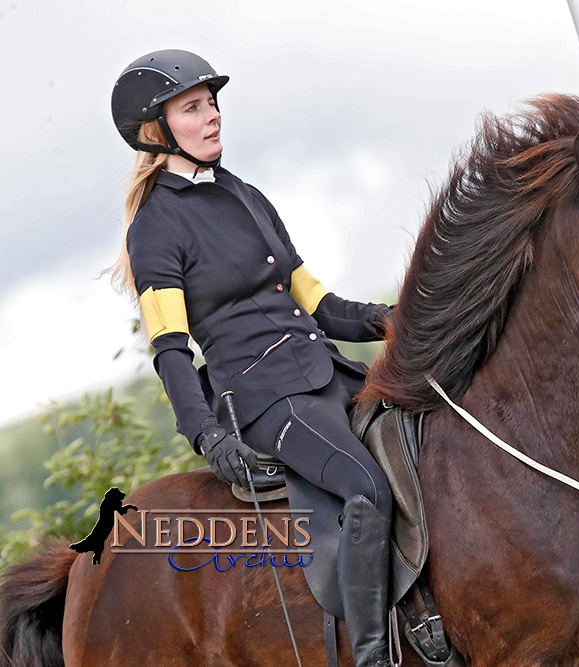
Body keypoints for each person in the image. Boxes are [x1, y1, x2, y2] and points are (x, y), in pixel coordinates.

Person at [108, 49, 394, 667]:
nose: (212, 116)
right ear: (157, 131)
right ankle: (374, 655)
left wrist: (388, 320)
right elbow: (170, 349)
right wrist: (205, 436)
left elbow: (316, 301)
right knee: (366, 489)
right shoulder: (155, 227)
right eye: (193, 107)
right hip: (265, 399)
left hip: (323, 371)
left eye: (212, 103)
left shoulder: (242, 193)